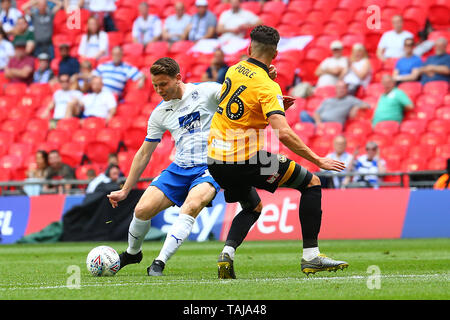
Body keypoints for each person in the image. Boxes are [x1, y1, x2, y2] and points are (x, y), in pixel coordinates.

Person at [207, 25, 348, 279]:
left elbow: (243, 103)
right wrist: (317, 159)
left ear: (249, 48)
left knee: (252, 207)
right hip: (248, 160)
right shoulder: (268, 86)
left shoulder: (234, 69)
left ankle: (227, 253)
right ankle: (311, 256)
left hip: (216, 160)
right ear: (275, 53)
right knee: (311, 183)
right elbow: (282, 133)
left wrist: (275, 97)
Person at [106, 57, 223, 277]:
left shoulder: (207, 91)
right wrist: (125, 190)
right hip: (180, 167)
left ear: (178, 78)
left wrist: (271, 100)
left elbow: (239, 96)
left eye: (163, 84)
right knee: (141, 210)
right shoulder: (160, 113)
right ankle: (133, 253)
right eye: (155, 86)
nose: (159, 90)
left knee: (190, 206)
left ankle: (159, 262)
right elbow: (143, 154)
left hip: (211, 165)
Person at [300, 80, 370, 126]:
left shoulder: (350, 100)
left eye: (343, 88)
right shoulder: (328, 100)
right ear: (335, 89)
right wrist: (318, 122)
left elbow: (367, 105)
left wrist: (356, 107)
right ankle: (315, 128)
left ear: (346, 90)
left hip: (333, 125)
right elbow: (316, 113)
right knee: (303, 114)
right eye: (339, 88)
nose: (341, 90)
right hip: (320, 122)